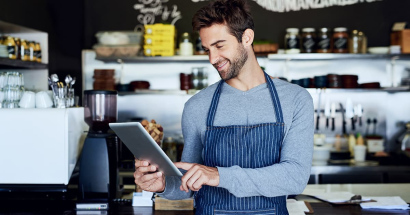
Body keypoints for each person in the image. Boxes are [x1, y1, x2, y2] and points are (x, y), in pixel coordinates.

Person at [134, 0, 314, 214]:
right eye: (207, 49)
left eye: (219, 46)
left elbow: (294, 178)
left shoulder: (295, 99)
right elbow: (187, 184)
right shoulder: (197, 106)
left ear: (247, 38)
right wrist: (163, 185)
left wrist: (219, 175)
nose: (212, 58)